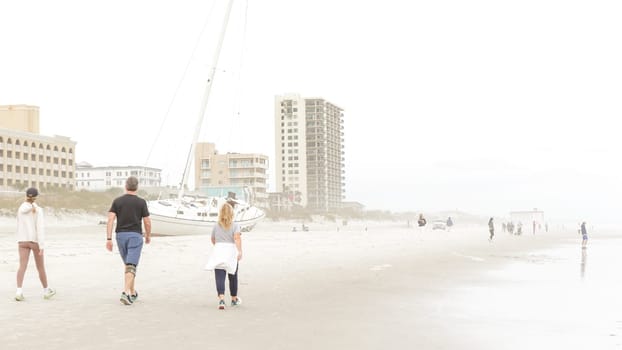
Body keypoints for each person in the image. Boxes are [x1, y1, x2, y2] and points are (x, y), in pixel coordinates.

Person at [106, 176, 151, 305]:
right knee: (131, 265)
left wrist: (108, 239)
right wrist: (148, 235)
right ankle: (125, 293)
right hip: (135, 236)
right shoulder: (141, 202)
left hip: (120, 236)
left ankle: (132, 292)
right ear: (137, 187)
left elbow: (110, 220)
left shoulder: (117, 201)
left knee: (128, 265)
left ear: (125, 186)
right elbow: (147, 222)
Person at [15, 187, 56, 301]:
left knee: (22, 266)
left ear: (26, 196)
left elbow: (19, 224)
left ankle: (19, 292)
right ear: (36, 197)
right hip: (34, 241)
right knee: (40, 267)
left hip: (22, 240)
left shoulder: (20, 208)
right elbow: (40, 228)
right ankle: (46, 290)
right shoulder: (38, 210)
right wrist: (42, 245)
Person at [205, 203, 243, 310]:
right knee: (233, 275)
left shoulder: (216, 225)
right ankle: (234, 299)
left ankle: (221, 299)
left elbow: (213, 239)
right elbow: (237, 239)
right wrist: (239, 251)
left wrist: (219, 246)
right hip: (231, 251)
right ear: (232, 213)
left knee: (220, 275)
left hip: (219, 250)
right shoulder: (235, 225)